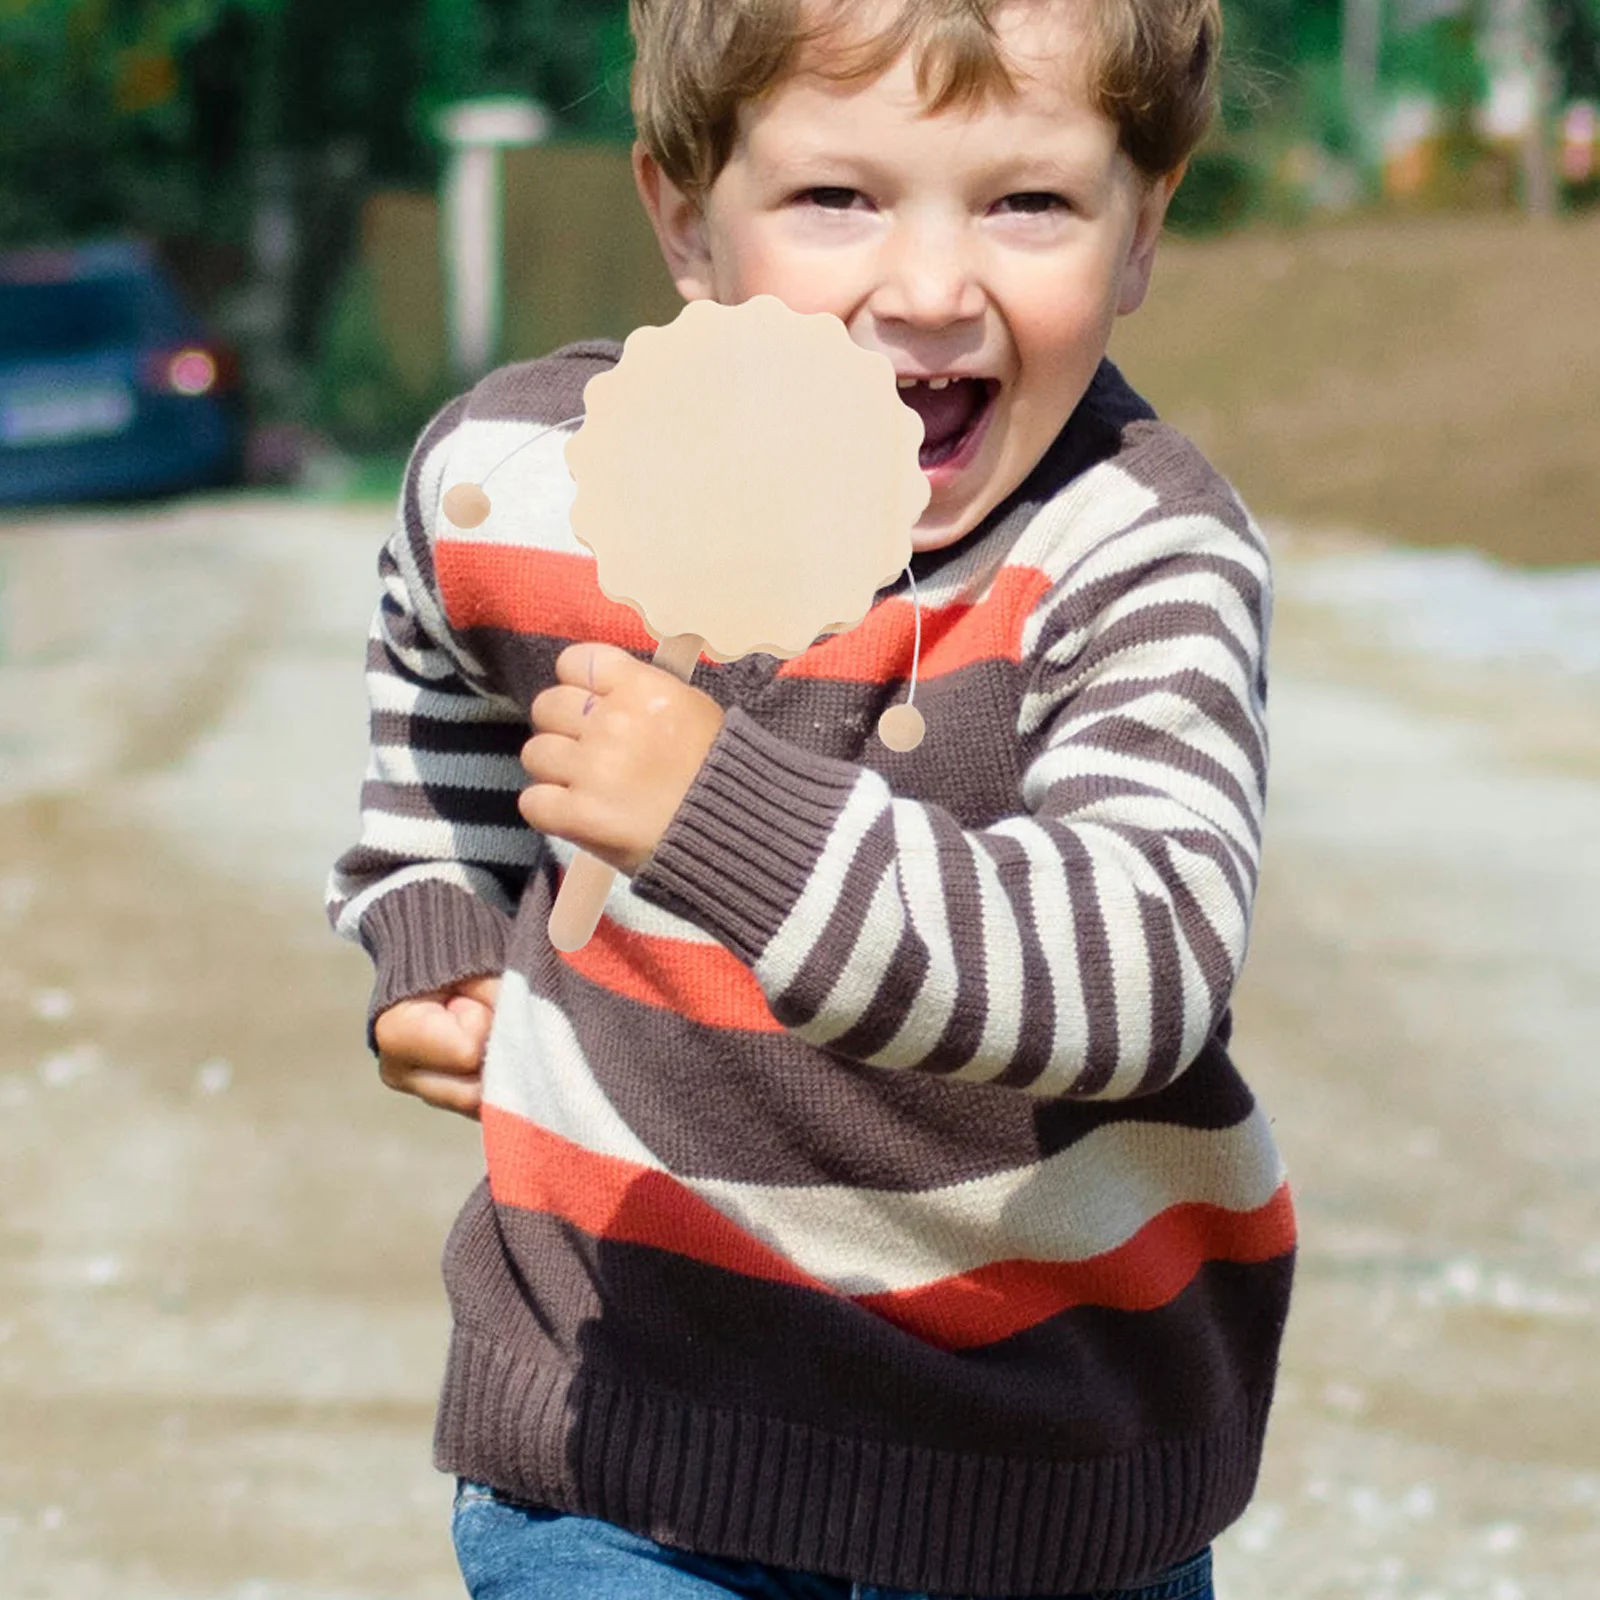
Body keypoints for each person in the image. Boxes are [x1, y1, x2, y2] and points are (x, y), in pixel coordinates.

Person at [326, 1, 1294, 1595]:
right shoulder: (534, 476)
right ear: (686, 220)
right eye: (837, 199)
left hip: (1038, 1479)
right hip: (619, 1440)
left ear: (1141, 232)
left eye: (1029, 202)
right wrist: (436, 922)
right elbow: (435, 651)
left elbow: (1141, 971)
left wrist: (717, 814)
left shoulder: (1139, 555)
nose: (927, 290)